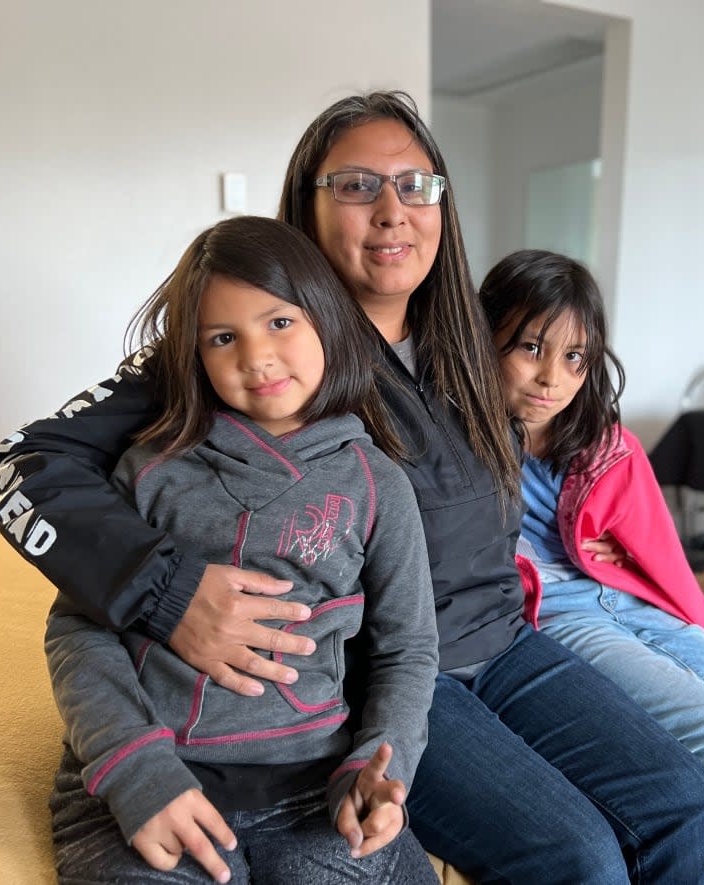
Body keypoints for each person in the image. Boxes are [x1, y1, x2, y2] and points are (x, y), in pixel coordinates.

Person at [0, 91, 704, 884]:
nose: (392, 211)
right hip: (385, 672)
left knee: (693, 806)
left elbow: (555, 399)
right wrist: (165, 588)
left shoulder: (469, 340)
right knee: (579, 854)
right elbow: (19, 467)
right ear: (304, 208)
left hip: (505, 642)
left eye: (417, 185)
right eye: (355, 185)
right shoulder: (258, 347)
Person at [45, 215, 441, 884]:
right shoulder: (151, 469)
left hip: (315, 786)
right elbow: (78, 627)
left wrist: (381, 762)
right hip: (154, 773)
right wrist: (136, 770)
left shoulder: (378, 484)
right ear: (194, 355)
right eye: (223, 338)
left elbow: (408, 647)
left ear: (327, 319)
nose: (255, 358)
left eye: (280, 322)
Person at [479, 248, 704, 885]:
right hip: (558, 613)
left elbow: (667, 566)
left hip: (632, 601)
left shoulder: (607, 445)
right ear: (483, 337)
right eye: (530, 347)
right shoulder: (459, 439)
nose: (552, 377)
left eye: (574, 357)